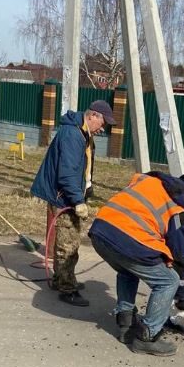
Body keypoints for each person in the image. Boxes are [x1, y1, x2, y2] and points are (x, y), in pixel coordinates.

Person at [88, 171, 184, 356]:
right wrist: (183, 294)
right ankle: (147, 337)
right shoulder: (182, 208)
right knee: (168, 281)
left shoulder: (153, 184)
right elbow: (182, 256)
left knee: (128, 268)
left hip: (100, 231)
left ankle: (126, 325)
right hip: (126, 238)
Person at [31, 100, 116, 307]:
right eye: (103, 122)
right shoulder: (73, 135)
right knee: (67, 245)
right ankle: (67, 288)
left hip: (70, 194)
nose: (103, 128)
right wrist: (78, 201)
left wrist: (87, 190)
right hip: (64, 197)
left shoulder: (84, 134)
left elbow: (82, 168)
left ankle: (62, 279)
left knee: (68, 241)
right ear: (93, 116)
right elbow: (67, 173)